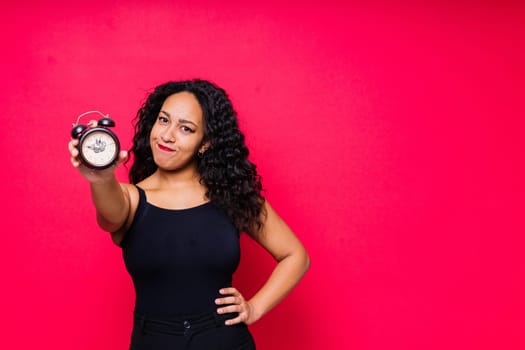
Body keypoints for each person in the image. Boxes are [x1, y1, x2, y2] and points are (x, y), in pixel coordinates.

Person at [68, 79, 310, 349]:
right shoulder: (130, 199)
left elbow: (295, 255)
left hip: (224, 340)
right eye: (163, 120)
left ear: (205, 142)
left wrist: (254, 307)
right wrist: (101, 178)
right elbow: (110, 217)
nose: (167, 135)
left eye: (185, 128)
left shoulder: (231, 196)